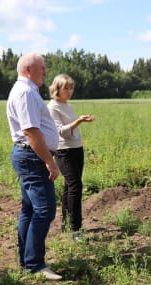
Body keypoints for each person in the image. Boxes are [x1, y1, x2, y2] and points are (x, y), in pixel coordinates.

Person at [6, 53, 62, 280]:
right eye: (43, 68)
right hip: (33, 158)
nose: (46, 72)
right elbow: (30, 131)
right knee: (45, 210)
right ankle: (34, 264)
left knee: (30, 209)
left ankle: (27, 259)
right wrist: (49, 160)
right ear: (29, 69)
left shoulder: (27, 91)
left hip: (29, 156)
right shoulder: (26, 92)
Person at [47, 74, 94, 240]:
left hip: (76, 148)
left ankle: (66, 224)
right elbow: (62, 132)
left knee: (69, 186)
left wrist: (80, 121)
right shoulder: (52, 107)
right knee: (75, 186)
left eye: (71, 87)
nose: (69, 91)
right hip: (63, 150)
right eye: (66, 88)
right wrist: (79, 121)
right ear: (56, 89)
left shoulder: (66, 105)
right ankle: (75, 229)